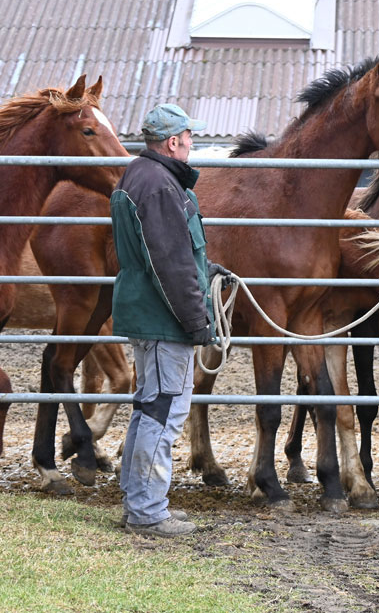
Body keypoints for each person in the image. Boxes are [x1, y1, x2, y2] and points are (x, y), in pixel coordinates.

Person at [110, 103, 232, 537]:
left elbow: (172, 253)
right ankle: (146, 511)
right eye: (189, 137)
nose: (193, 143)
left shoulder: (142, 176)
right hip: (164, 320)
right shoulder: (161, 186)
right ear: (173, 141)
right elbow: (170, 263)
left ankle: (139, 499)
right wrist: (196, 319)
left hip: (146, 311)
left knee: (149, 407)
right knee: (164, 410)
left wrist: (208, 270)